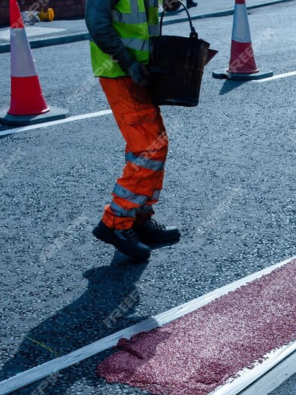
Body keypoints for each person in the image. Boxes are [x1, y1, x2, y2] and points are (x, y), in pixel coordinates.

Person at [86, 0, 183, 261]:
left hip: (141, 70)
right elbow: (97, 23)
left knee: (151, 144)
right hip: (120, 72)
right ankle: (115, 223)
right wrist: (128, 63)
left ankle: (137, 216)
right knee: (149, 149)